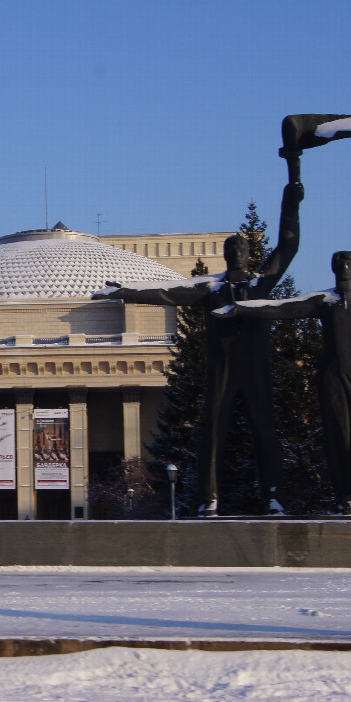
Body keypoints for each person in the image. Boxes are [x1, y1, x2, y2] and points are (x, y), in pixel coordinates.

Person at [92, 180, 303, 515]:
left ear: (249, 255)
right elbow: (167, 292)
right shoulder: (211, 288)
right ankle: (210, 498)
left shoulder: (261, 283)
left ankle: (273, 497)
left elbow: (289, 248)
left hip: (256, 370)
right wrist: (126, 291)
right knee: (212, 435)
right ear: (225, 255)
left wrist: (290, 206)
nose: (235, 253)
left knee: (265, 433)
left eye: (241, 250)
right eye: (230, 250)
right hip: (222, 370)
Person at [215, 199, 351, 515]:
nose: (344, 262)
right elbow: (279, 308)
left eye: (348, 259)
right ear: (333, 266)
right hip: (331, 377)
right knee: (338, 438)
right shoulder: (323, 301)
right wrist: (240, 307)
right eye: (339, 259)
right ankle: (344, 499)